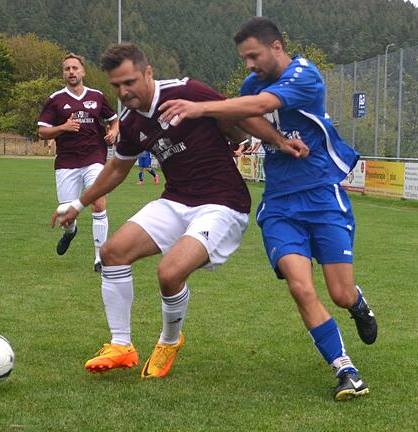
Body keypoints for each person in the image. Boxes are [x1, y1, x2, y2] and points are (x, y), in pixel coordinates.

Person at [52, 43, 306, 379]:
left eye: (130, 82)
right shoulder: (129, 124)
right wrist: (79, 204)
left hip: (222, 203)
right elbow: (116, 169)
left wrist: (278, 140)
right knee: (112, 253)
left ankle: (169, 341)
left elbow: (237, 113)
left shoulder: (186, 91)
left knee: (170, 272)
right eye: (117, 86)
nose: (124, 92)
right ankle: (121, 345)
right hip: (176, 200)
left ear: (148, 73)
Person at [158, 17, 377, 401]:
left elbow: (260, 105)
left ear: (276, 47)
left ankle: (357, 304)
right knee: (300, 286)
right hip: (279, 205)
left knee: (339, 293)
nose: (249, 66)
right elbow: (247, 116)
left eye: (253, 56)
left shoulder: (305, 75)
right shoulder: (251, 85)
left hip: (323, 198)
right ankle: (345, 369)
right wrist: (276, 138)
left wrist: (201, 107)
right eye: (244, 59)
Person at [38, 53, 119, 272]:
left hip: (94, 158)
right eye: (67, 69)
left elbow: (113, 120)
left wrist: (113, 132)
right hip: (66, 162)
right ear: (64, 73)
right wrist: (62, 128)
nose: (71, 72)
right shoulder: (55, 100)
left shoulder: (97, 96)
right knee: (66, 213)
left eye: (75, 68)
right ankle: (70, 232)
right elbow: (43, 131)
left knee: (99, 203)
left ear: (83, 71)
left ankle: (100, 258)